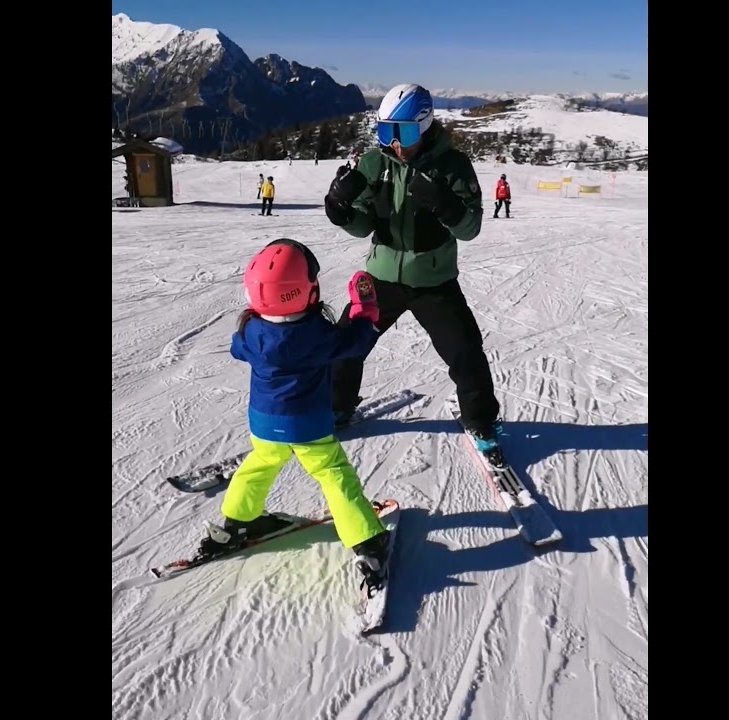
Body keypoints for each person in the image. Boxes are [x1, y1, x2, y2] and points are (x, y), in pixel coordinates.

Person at [321, 83, 505, 456]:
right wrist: (341, 211)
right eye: (385, 132)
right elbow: (364, 224)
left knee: (465, 350)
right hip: (382, 277)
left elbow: (469, 229)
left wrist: (444, 203)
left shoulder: (453, 166)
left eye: (402, 133)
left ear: (424, 125)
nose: (394, 143)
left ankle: (480, 419)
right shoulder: (374, 163)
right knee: (345, 341)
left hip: (434, 280)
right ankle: (335, 406)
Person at [198, 238, 392, 589]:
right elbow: (356, 344)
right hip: (308, 425)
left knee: (259, 465)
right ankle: (367, 541)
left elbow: (236, 349)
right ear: (307, 290)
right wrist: (365, 311)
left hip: (264, 422)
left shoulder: (251, 330)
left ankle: (237, 523)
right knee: (333, 474)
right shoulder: (316, 333)